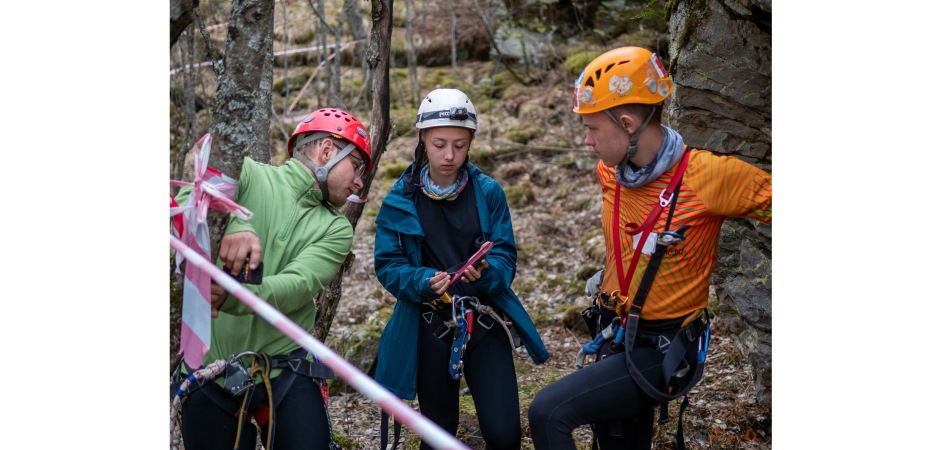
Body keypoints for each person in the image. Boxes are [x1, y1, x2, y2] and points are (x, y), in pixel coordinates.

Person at [527, 46, 772, 450]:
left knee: (549, 413)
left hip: (663, 348)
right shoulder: (611, 171)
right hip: (614, 330)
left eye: (592, 129)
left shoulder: (708, 177)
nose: (587, 141)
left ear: (626, 123)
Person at [173, 108, 372, 450]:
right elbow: (188, 199)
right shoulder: (247, 173)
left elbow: (299, 285)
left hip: (286, 368)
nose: (359, 182)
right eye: (356, 166)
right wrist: (236, 223)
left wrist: (231, 296)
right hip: (210, 367)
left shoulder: (336, 227)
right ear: (326, 150)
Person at [373, 88, 549, 450]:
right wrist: (423, 280)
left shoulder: (488, 193)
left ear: (471, 142)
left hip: (485, 320)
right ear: (422, 139)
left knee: (504, 433)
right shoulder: (400, 199)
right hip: (430, 325)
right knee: (438, 432)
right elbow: (388, 265)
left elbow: (505, 257)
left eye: (459, 144)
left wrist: (487, 272)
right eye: (439, 144)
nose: (449, 155)